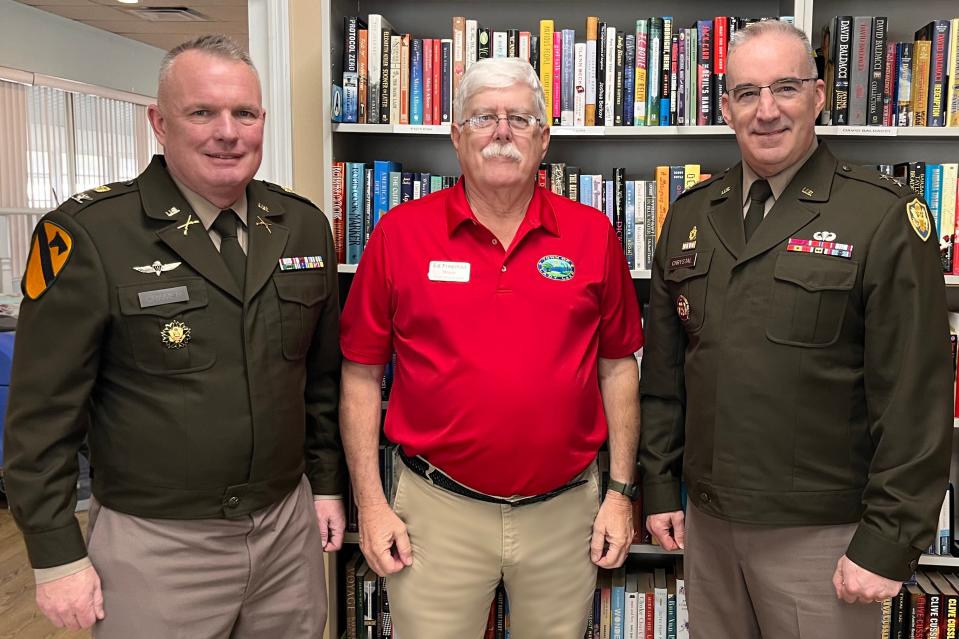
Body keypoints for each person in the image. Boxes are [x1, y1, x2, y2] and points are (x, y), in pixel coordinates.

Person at [3, 35, 345, 637]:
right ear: (159, 123)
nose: (227, 131)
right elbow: (41, 417)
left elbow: (319, 384)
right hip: (158, 542)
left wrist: (324, 486)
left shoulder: (302, 226)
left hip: (286, 533)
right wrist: (56, 554)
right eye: (201, 112)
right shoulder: (90, 235)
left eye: (245, 113)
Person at [640, 20, 952, 638]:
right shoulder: (692, 214)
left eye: (785, 87)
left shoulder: (880, 214)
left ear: (818, 95)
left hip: (824, 540)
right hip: (707, 527)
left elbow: (915, 395)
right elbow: (666, 376)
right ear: (725, 106)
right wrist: (657, 486)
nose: (766, 111)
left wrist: (888, 541)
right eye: (747, 92)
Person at [339, 56, 643, 638]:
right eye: (483, 118)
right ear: (456, 137)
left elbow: (617, 368)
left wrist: (622, 493)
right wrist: (372, 504)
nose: (502, 131)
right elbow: (360, 375)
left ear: (544, 138)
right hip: (436, 513)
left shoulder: (592, 235)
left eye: (520, 119)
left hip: (566, 512)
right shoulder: (398, 235)